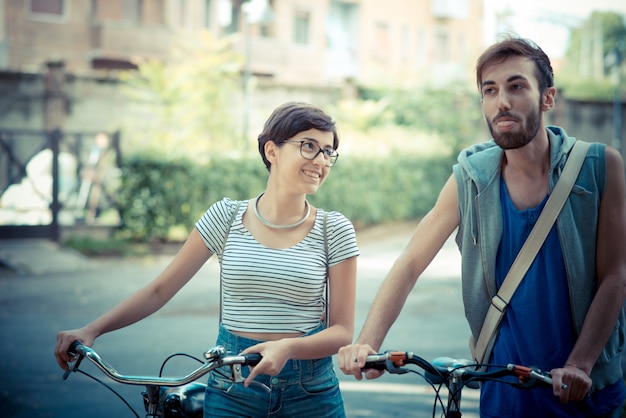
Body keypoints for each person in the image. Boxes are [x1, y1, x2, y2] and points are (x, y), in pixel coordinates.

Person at [338, 37, 626, 417]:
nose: (501, 101)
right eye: (490, 91)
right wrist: (367, 345)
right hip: (503, 396)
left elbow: (616, 276)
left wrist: (581, 363)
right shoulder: (469, 180)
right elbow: (409, 263)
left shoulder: (601, 167)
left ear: (548, 97)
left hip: (587, 396)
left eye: (516, 86)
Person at [55, 102, 360, 417]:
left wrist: (288, 348)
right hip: (232, 391)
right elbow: (160, 290)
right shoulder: (226, 217)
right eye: (309, 146)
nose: (320, 160)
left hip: (310, 394)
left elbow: (341, 331)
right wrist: (92, 330)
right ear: (272, 151)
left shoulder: (333, 229)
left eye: (327, 152)